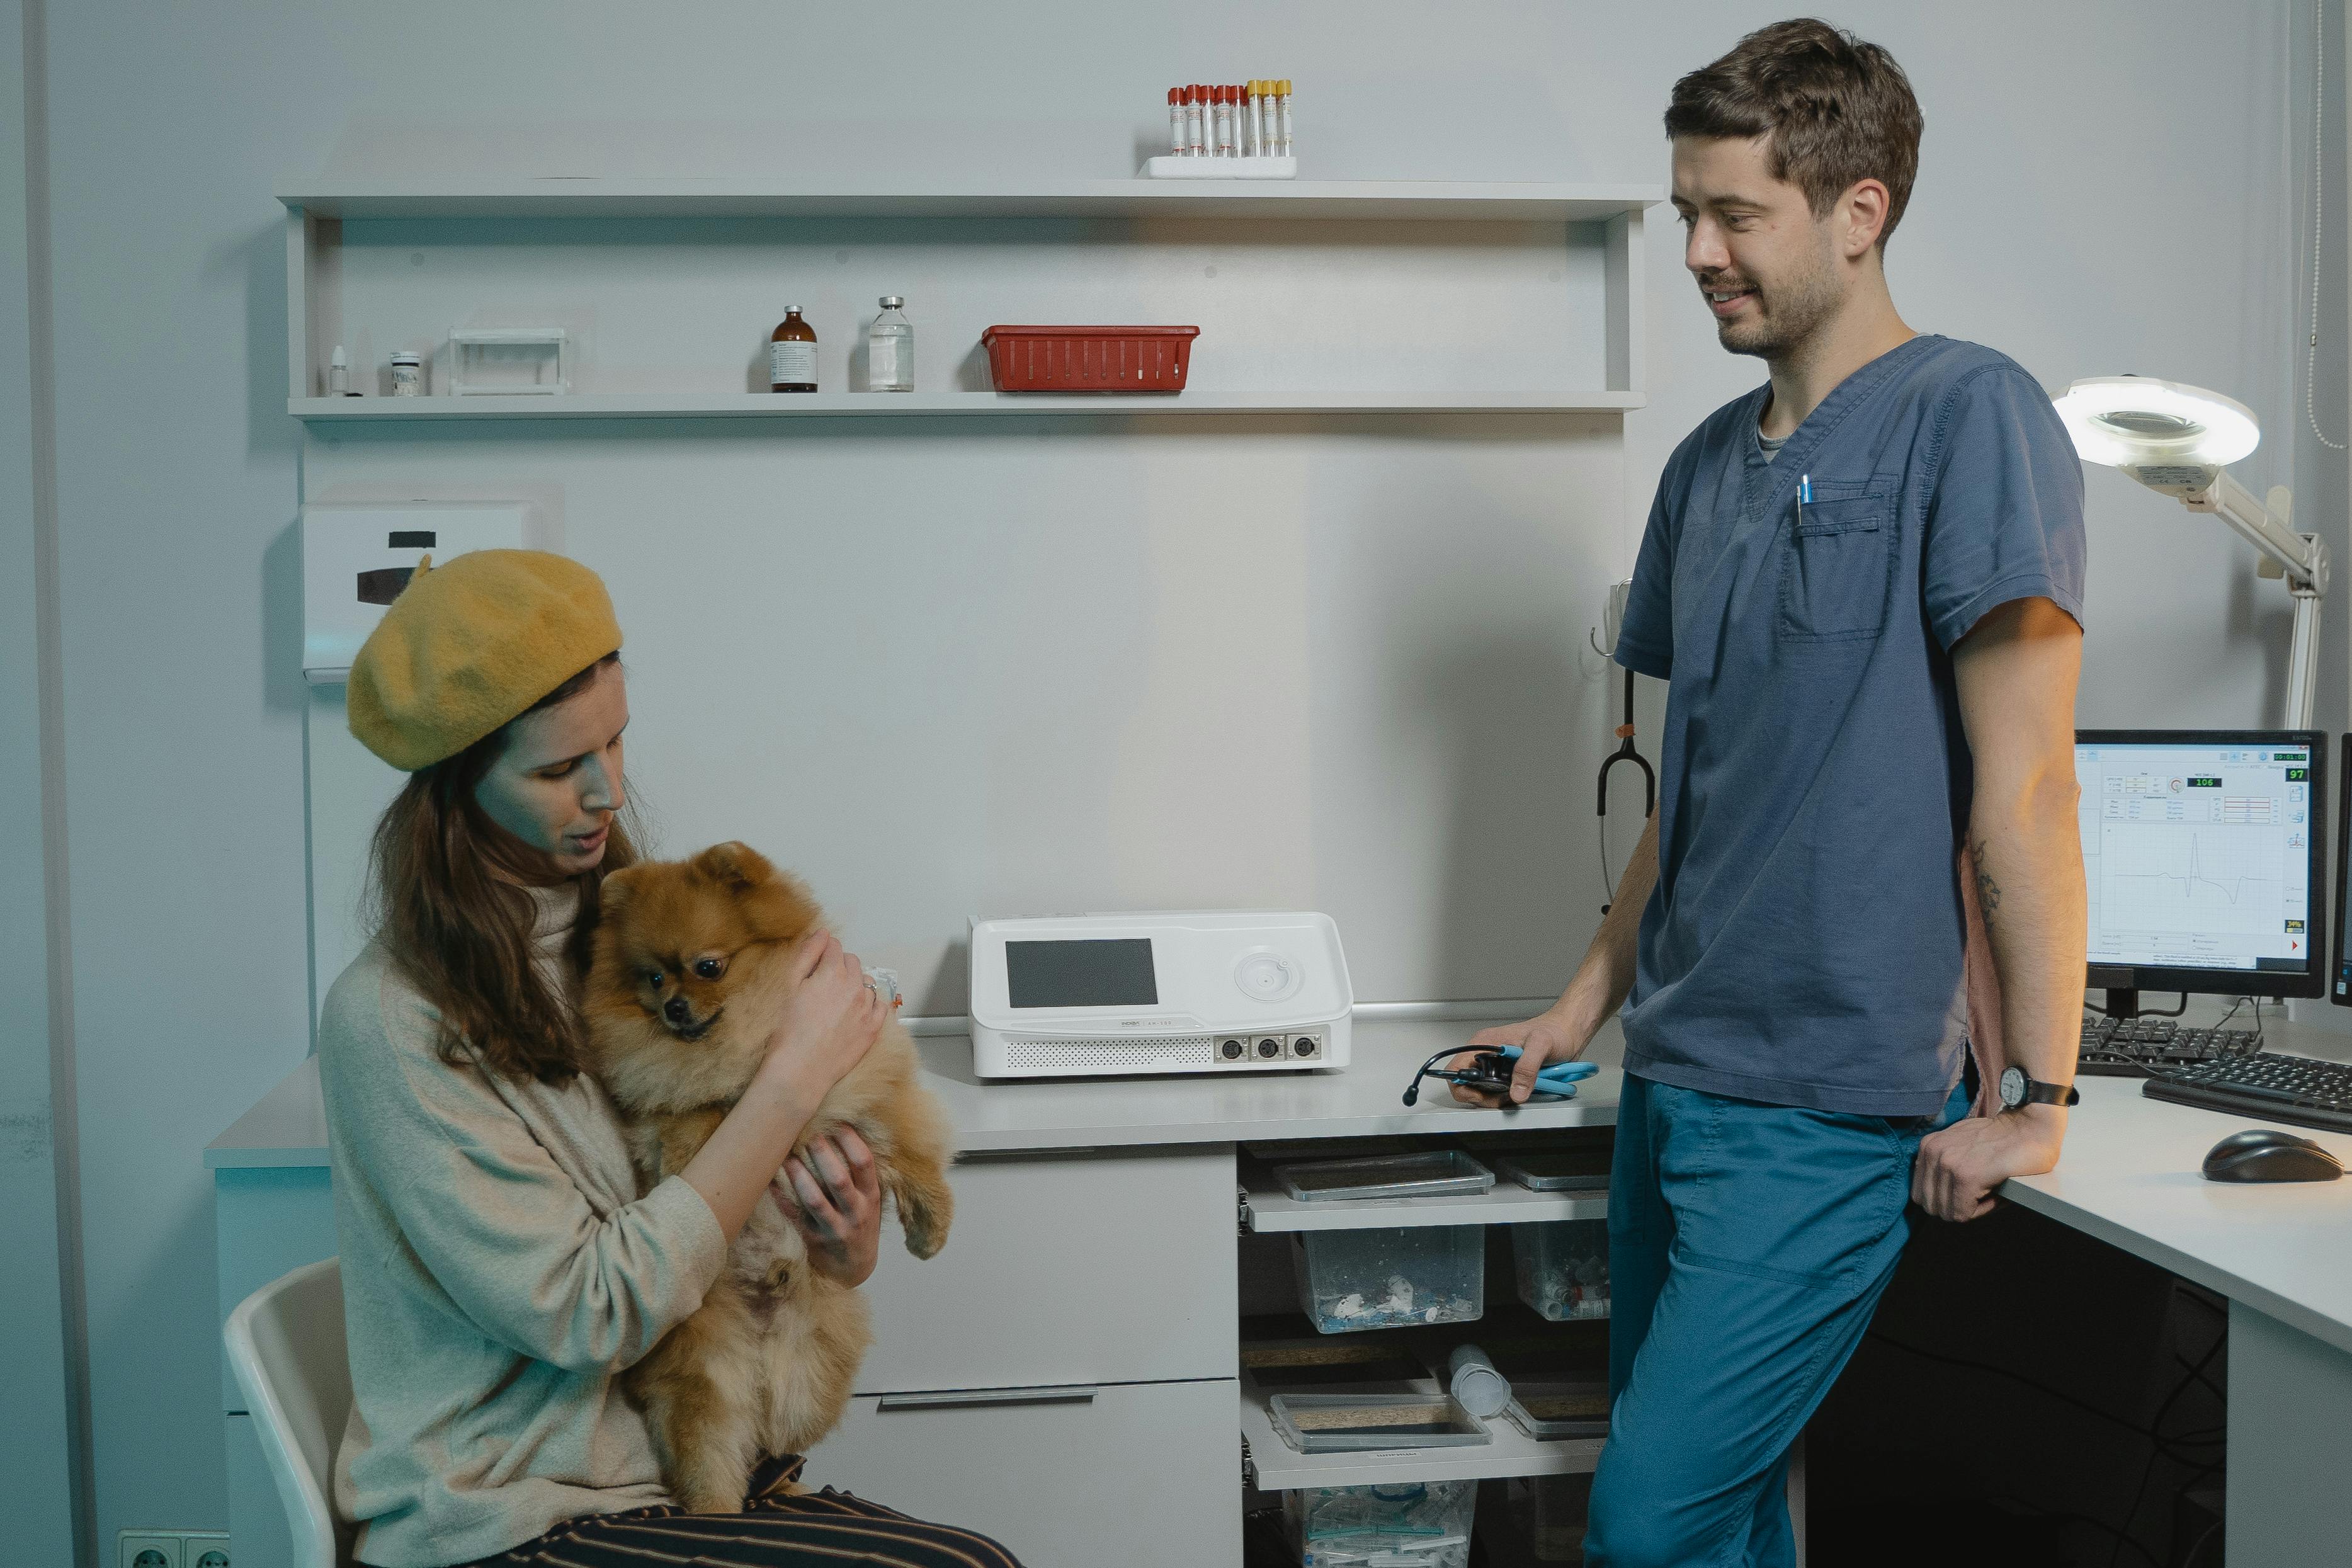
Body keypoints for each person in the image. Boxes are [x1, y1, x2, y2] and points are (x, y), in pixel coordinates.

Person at [1453, 20, 2087, 1567]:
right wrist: (1571, 1014)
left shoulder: (1969, 417)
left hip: (1826, 1097)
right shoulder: (1699, 470)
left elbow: (2029, 793)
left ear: (1855, 212)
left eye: (1733, 215)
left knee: (1644, 1523)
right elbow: (1695, 803)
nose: (1694, 251)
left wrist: (2041, 1104)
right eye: (1684, 212)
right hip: (1672, 1081)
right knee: (1725, 1516)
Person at [316, 550, 1021, 1568]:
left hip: (674, 1468)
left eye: (616, 743)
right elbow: (592, 1311)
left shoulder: (617, 938)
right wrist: (786, 1085)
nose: (607, 792)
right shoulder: (392, 1023)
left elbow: (711, 1222)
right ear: (455, 789)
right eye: (560, 769)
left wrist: (840, 1238)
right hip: (508, 1514)